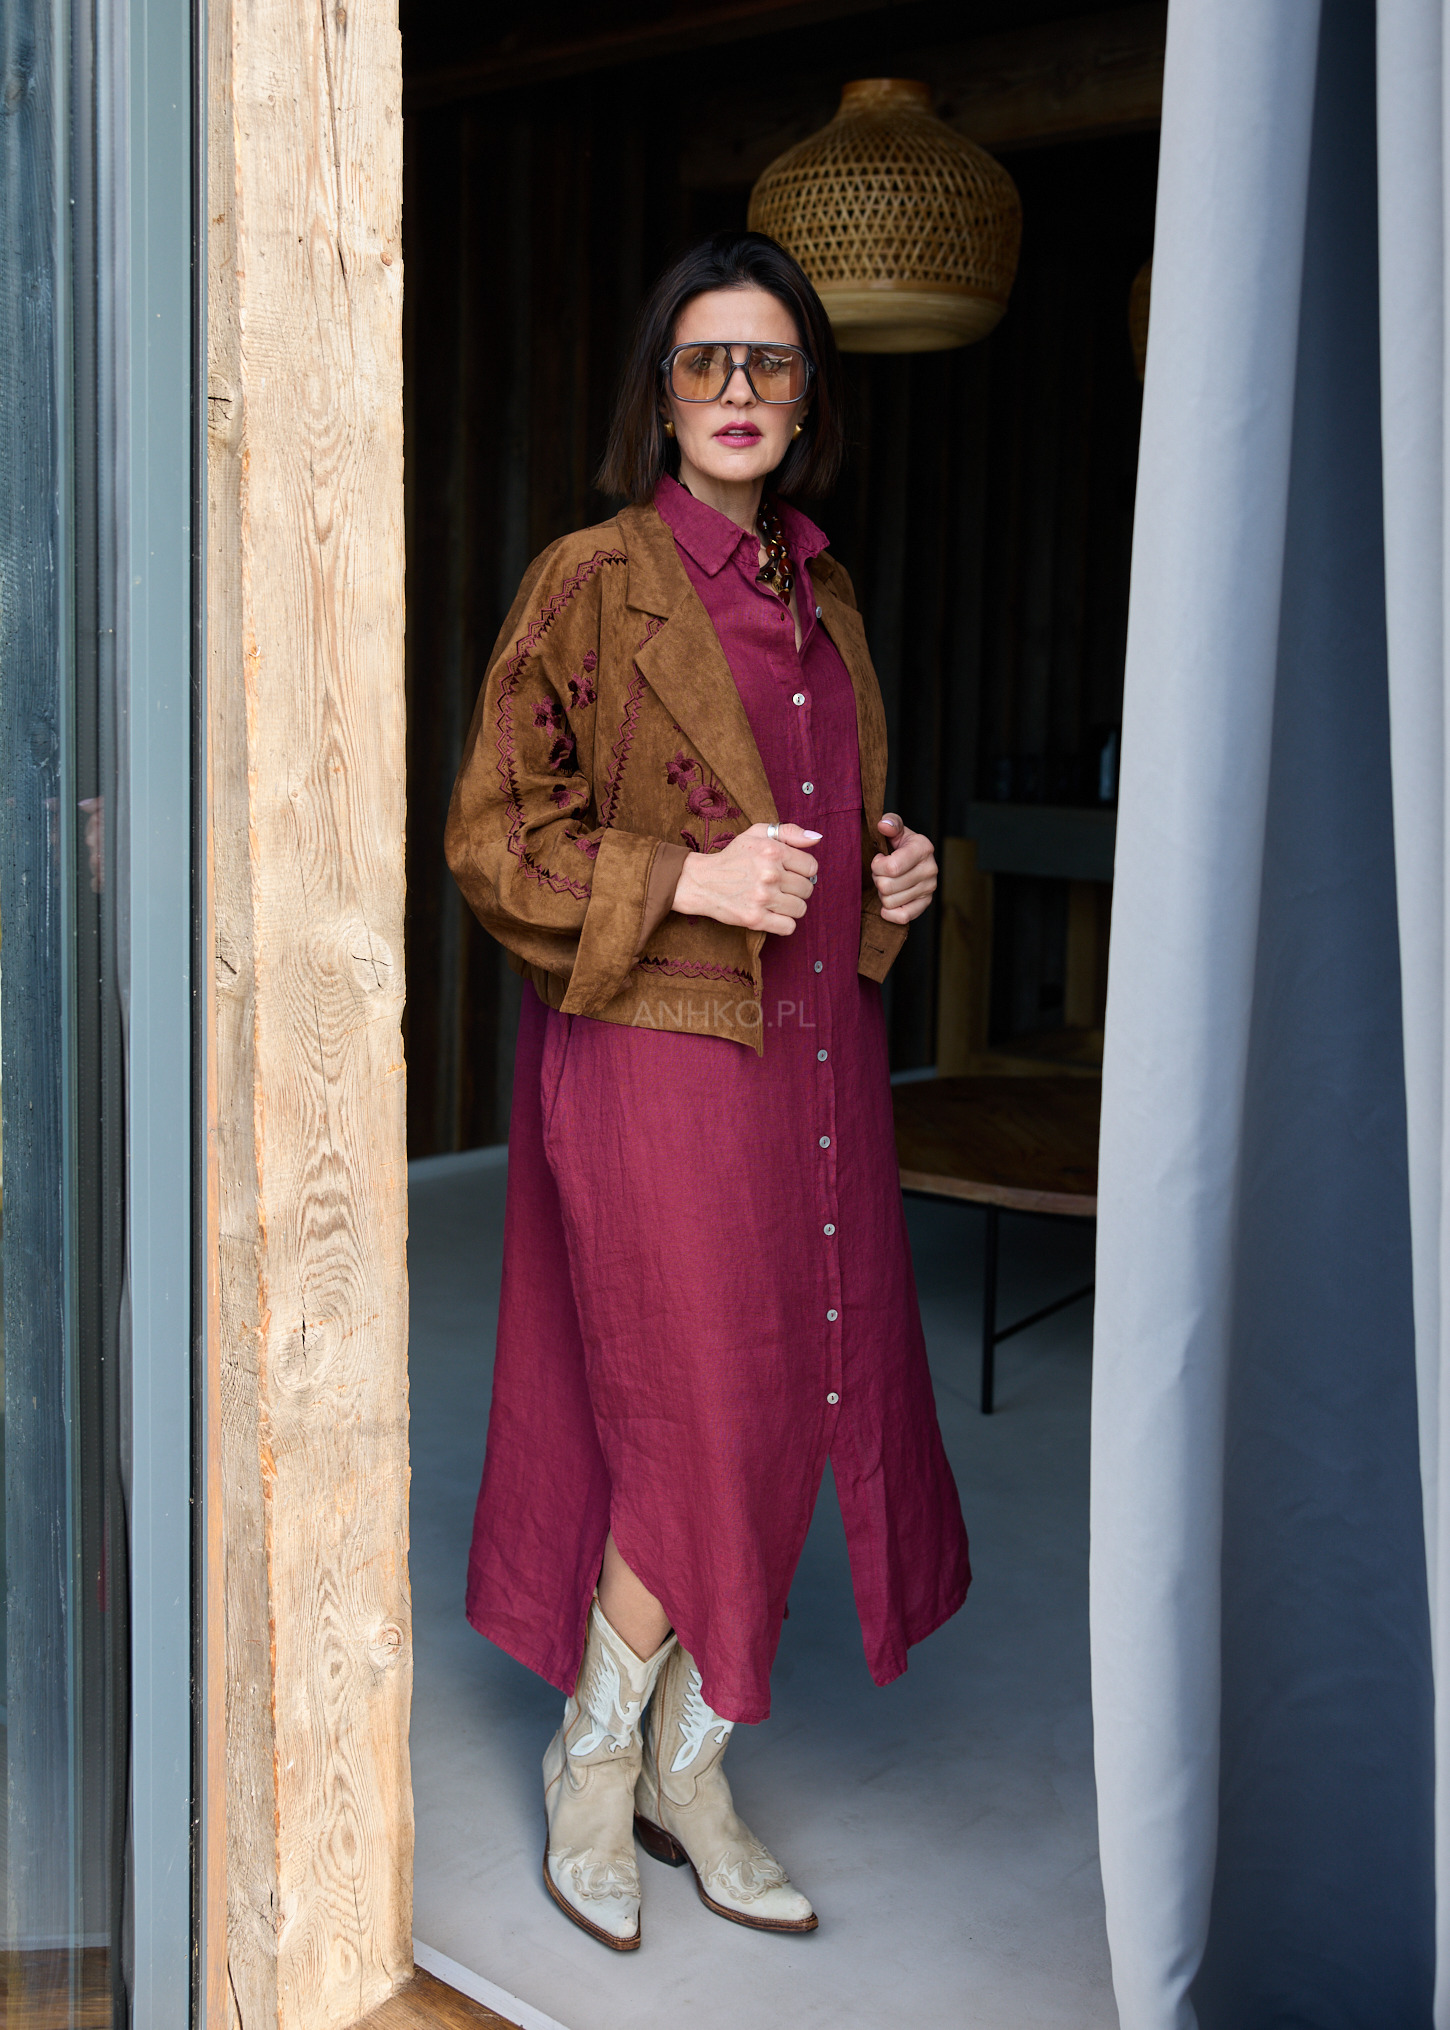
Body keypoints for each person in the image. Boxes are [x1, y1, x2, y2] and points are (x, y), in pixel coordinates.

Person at [445, 229, 970, 1952]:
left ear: (807, 397)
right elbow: (491, 839)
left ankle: (692, 1761)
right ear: (659, 394)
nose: (738, 390)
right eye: (704, 360)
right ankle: (595, 1763)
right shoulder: (593, 579)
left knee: (799, 1386)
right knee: (693, 1411)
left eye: (770, 362)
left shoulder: (826, 596)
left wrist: (890, 883)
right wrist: (688, 875)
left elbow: (826, 834)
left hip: (817, 1061)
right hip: (657, 1063)